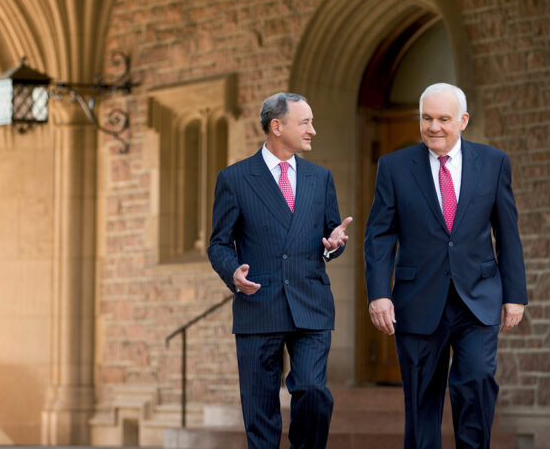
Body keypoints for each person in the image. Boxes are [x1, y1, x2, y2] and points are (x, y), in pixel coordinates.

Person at [363, 83, 527, 448]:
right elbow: (380, 235)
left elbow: (507, 231)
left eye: (443, 119)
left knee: (477, 383)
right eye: (426, 118)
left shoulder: (494, 162)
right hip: (417, 301)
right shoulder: (393, 167)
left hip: (478, 297)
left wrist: (515, 294)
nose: (433, 127)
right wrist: (379, 294)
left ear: (463, 121)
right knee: (422, 401)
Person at [208, 92, 352, 449]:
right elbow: (219, 243)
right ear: (277, 126)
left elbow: (331, 233)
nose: (313, 131)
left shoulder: (321, 178)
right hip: (259, 301)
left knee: (313, 391)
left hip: (311, 301)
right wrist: (233, 274)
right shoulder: (235, 178)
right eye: (305, 123)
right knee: (260, 411)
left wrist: (334, 245)